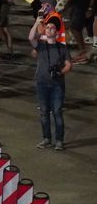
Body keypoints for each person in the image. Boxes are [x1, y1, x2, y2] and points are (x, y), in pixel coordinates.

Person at [30, 10, 72, 150]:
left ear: (57, 32)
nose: (49, 29)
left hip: (57, 85)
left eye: (52, 28)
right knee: (43, 112)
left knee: (57, 112)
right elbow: (31, 37)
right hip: (41, 83)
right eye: (47, 27)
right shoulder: (41, 46)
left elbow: (68, 65)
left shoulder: (62, 48)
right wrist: (37, 23)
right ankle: (46, 138)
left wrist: (60, 72)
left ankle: (59, 140)